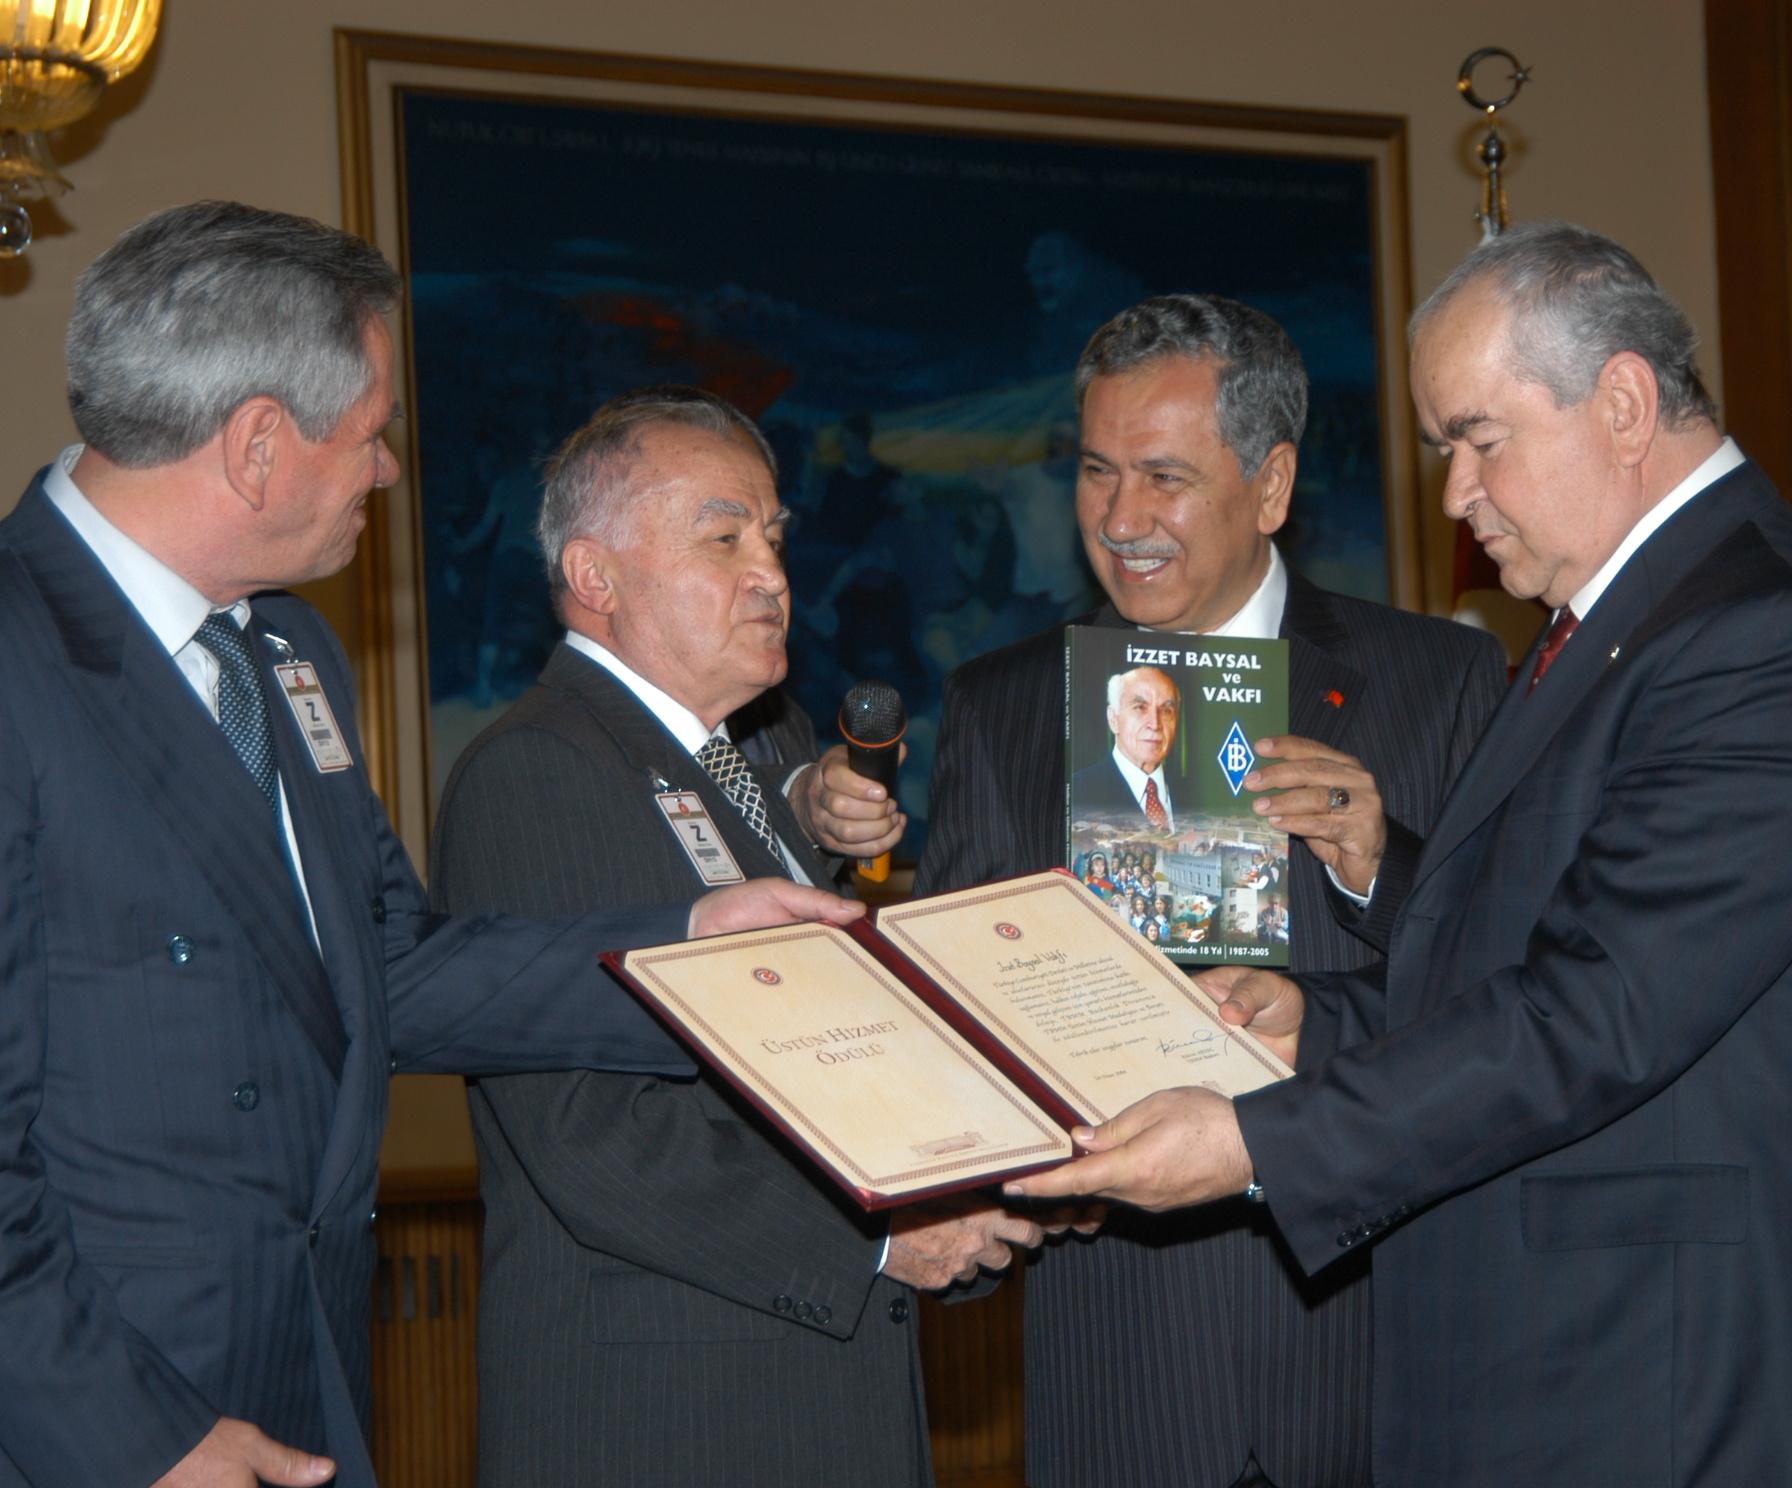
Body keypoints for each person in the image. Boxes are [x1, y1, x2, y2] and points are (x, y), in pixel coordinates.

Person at [1011, 223, 1792, 1487]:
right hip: (1586, 1370)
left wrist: (1261, 1141)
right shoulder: (1620, 621)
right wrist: (1316, 1024)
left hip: (1688, 1382)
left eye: (1478, 440)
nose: (1453, 495)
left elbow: (1598, 1010)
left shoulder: (1762, 641)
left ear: (1621, 403)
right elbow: (1519, 951)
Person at [0, 201, 851, 1488]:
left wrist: (686, 942)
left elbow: (384, 966)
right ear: (259, 446)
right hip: (110, 1408)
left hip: (303, 1372)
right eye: (370, 431)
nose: (389, 469)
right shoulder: (20, 653)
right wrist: (131, 1437)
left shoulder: (287, 651)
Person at [916, 294, 1509, 1488]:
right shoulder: (1001, 706)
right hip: (1124, 1369)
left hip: (1379, 1356)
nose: (1120, 519)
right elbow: (950, 1032)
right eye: (1096, 472)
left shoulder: (1437, 679)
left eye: (1163, 477)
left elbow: (1517, 999)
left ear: (1271, 485)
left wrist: (1377, 863)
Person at [430, 388, 1050, 1487]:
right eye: (723, 540)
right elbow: (589, 1133)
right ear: (594, 576)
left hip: (815, 1393)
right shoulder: (541, 772)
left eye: (773, 536)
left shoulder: (762, 758)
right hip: (671, 1416)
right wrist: (878, 1238)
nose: (770, 573)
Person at [1068, 663, 1187, 824]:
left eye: (1166, 711)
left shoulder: (1196, 794)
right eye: (1140, 708)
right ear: (1113, 719)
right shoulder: (1077, 792)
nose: (1155, 724)